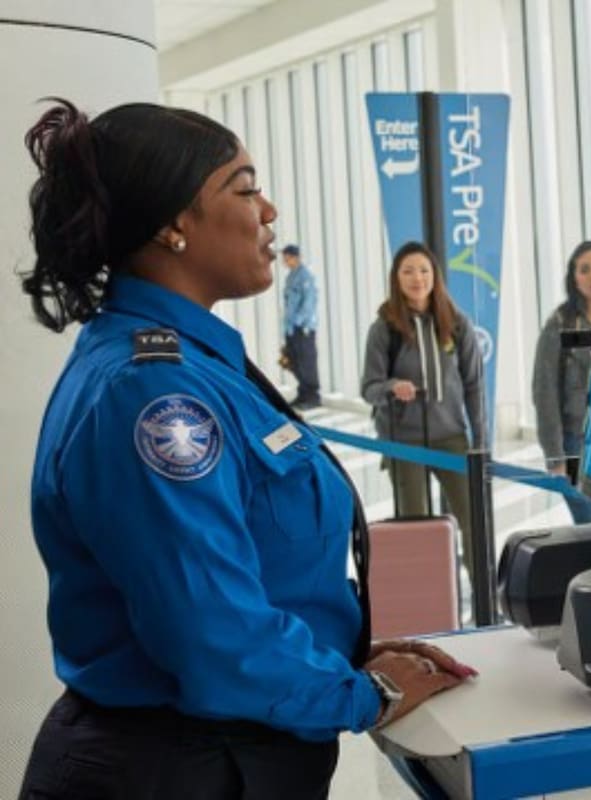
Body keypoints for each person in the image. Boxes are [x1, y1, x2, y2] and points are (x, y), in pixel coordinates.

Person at [16, 99, 476, 799]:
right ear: (174, 225)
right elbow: (211, 635)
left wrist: (336, 659)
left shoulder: (196, 366)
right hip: (175, 770)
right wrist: (369, 695)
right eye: (245, 187)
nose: (270, 210)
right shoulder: (155, 397)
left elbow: (248, 577)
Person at [361, 241, 486, 584]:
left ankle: (483, 598)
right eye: (408, 271)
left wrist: (481, 444)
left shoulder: (457, 324)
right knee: (414, 529)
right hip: (404, 441)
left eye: (424, 270)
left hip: (451, 437)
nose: (417, 278)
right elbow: (369, 388)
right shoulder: (384, 328)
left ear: (436, 276)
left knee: (474, 522)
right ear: (396, 278)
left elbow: (474, 386)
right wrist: (391, 387)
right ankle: (424, 598)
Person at [532, 240, 591, 523]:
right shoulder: (560, 323)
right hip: (577, 443)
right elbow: (545, 391)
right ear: (573, 277)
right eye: (584, 269)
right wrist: (555, 456)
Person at [281, 243, 321, 409]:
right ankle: (303, 394)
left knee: (307, 361)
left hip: (303, 327)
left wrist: (299, 322)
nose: (285, 261)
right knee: (295, 360)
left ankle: (312, 397)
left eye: (287, 258)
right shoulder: (291, 276)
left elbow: (309, 302)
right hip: (291, 327)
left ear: (295, 257)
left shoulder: (306, 276)